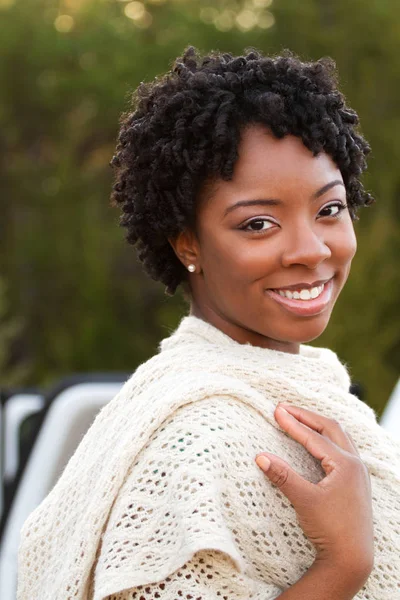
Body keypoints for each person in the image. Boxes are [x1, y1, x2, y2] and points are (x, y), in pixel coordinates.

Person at [17, 47, 400, 600]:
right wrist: (343, 563)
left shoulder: (317, 397)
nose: (311, 249)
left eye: (329, 210)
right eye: (259, 224)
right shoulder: (196, 439)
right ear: (187, 243)